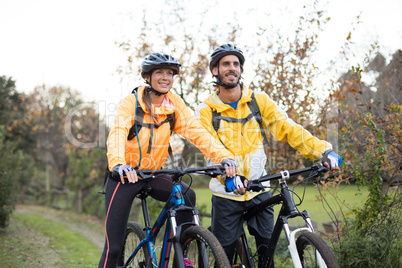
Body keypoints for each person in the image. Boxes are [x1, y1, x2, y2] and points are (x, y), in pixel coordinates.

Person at [195, 44, 342, 267]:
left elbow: (289, 128)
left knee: (267, 254)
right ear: (215, 71)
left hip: (258, 188)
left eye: (236, 64)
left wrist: (322, 150)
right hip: (226, 195)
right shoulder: (206, 110)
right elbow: (207, 147)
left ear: (241, 70)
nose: (232, 68)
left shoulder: (258, 101)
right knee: (222, 259)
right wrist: (228, 177)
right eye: (226, 64)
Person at [98, 52, 238, 268]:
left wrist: (224, 156)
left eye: (170, 74)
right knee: (114, 247)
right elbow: (116, 134)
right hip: (125, 175)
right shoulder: (131, 103)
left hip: (153, 173)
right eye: (160, 72)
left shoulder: (173, 104)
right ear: (147, 77)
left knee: (186, 194)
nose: (165, 78)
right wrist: (118, 164)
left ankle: (180, 257)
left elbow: (197, 132)